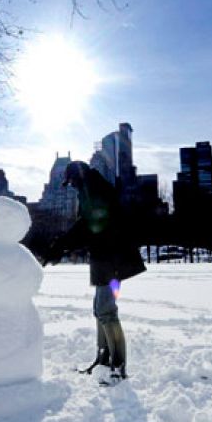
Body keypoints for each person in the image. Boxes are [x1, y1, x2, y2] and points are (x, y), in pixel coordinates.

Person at [44, 161, 146, 385]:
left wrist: (60, 246)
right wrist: (61, 247)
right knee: (100, 309)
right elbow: (89, 227)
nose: (70, 186)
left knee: (106, 310)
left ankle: (117, 366)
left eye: (70, 181)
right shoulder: (90, 188)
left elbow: (88, 225)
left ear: (77, 176)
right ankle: (103, 359)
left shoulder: (94, 188)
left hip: (113, 258)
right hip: (104, 258)